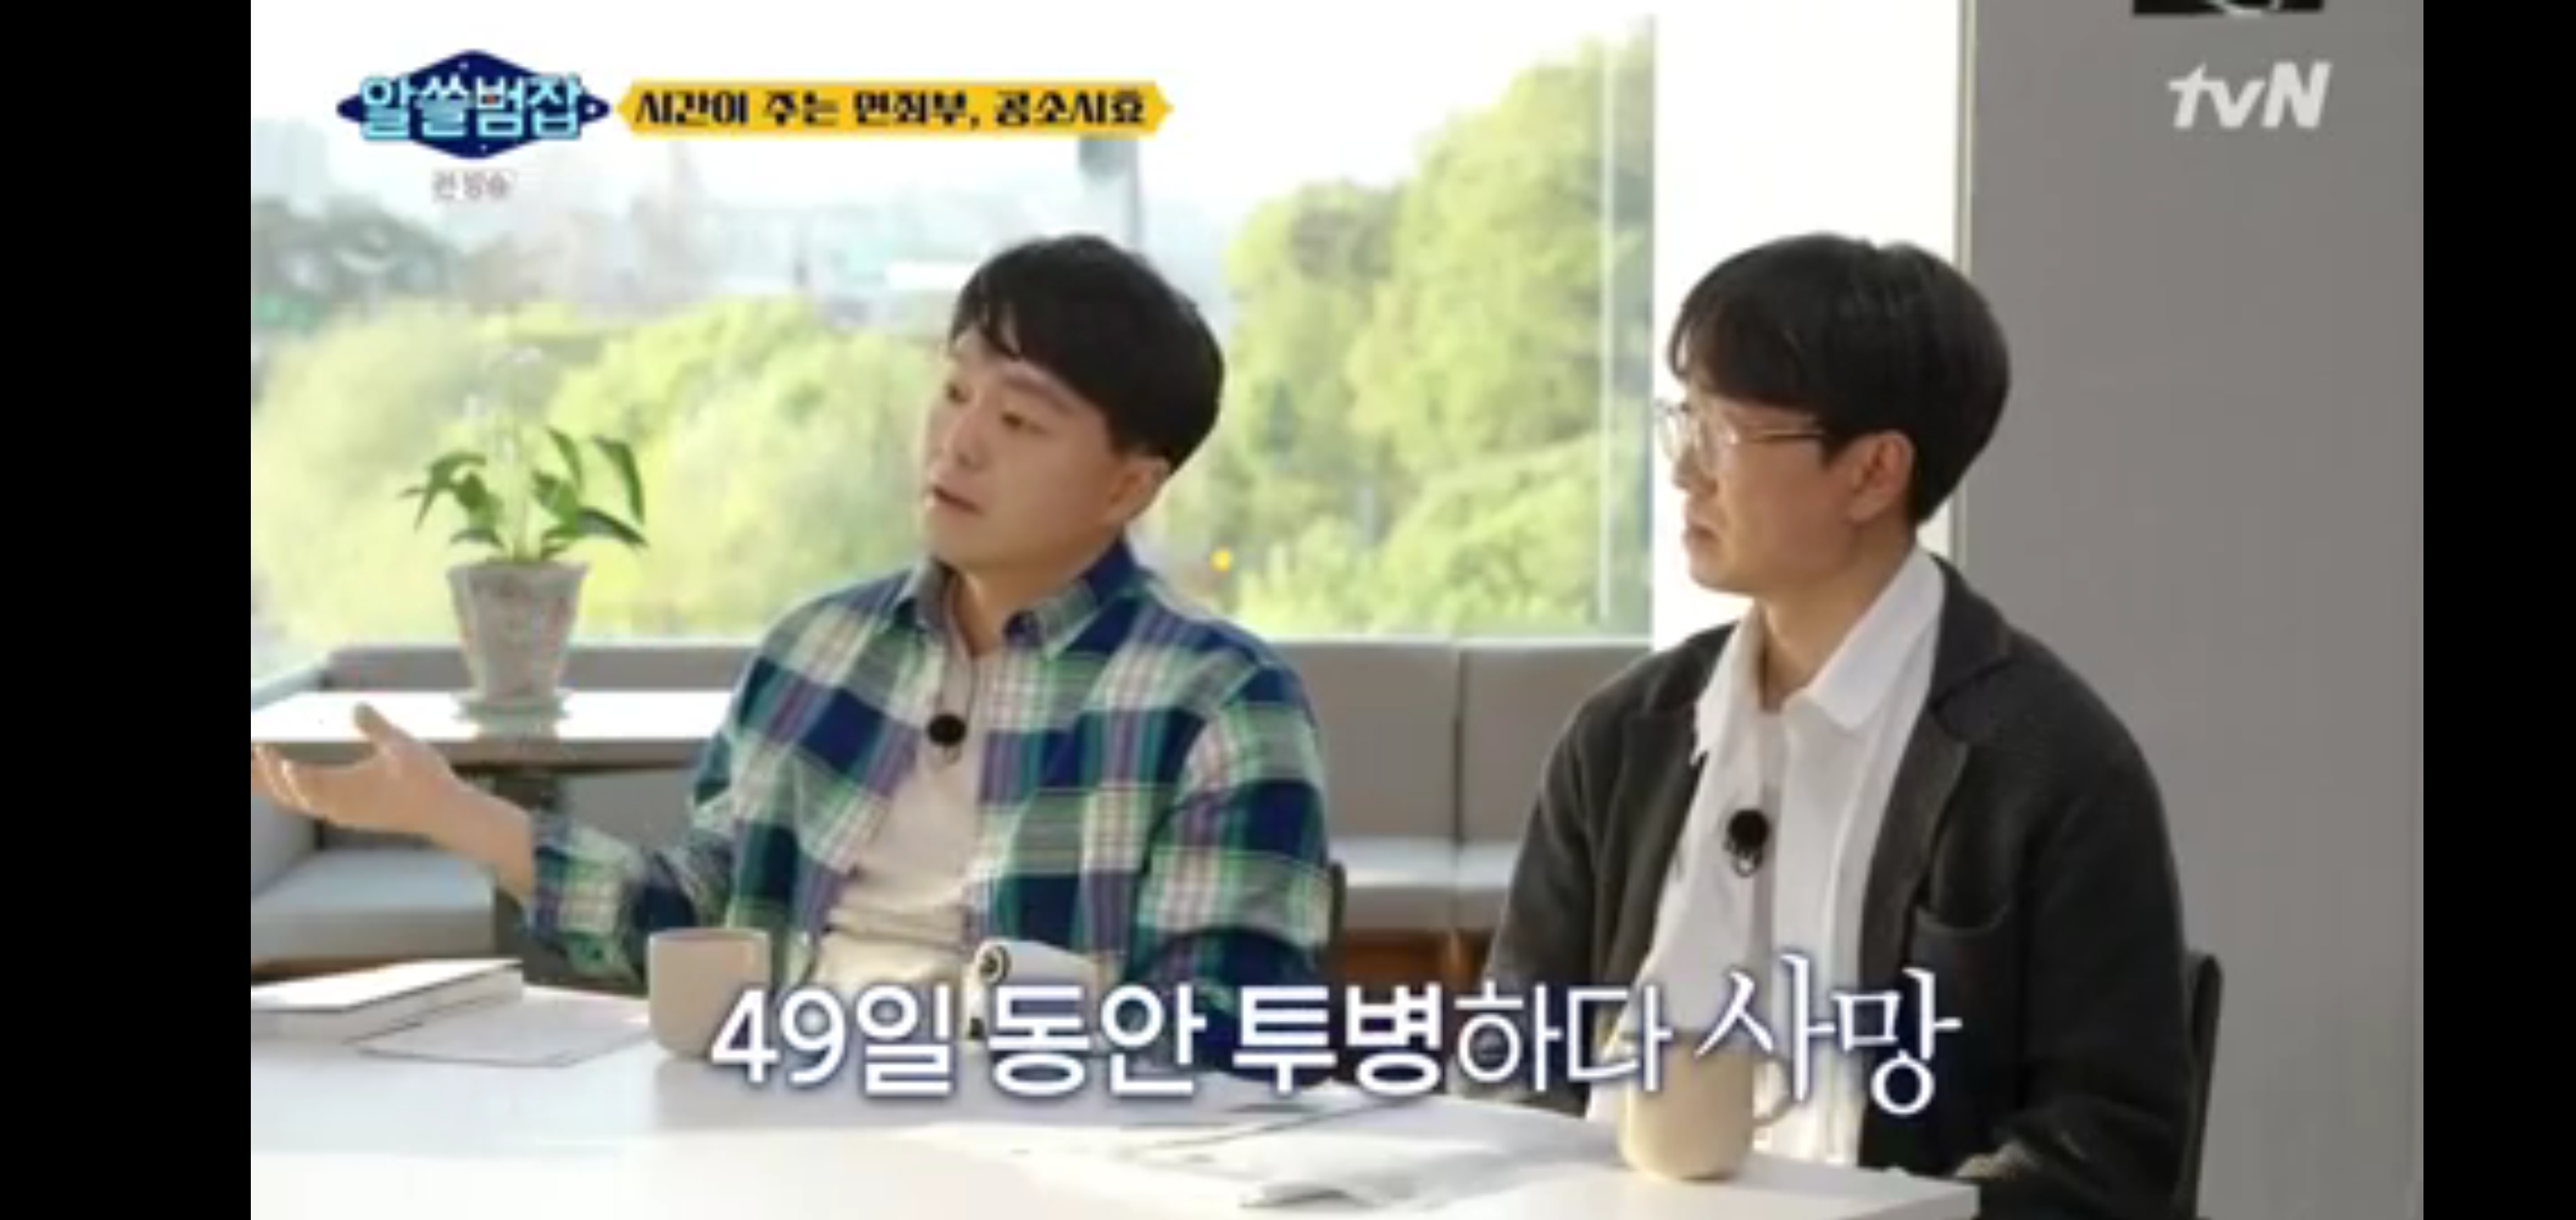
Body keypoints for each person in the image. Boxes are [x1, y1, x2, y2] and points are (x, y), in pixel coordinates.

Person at [249, 234, 1337, 1071]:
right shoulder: (819, 650)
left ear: (1128, 485)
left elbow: (1225, 1036)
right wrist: (452, 812)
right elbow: (696, 918)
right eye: (955, 391)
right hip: (773, 1134)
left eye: (1019, 423)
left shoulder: (1222, 703)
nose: (957, 442)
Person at [1458, 233, 2195, 1220]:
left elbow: (2105, 1147)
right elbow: (1513, 1059)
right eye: (1682, 420)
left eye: (1723, 432)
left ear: (1872, 472)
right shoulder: (1624, 735)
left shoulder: (2047, 763)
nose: (1684, 471)